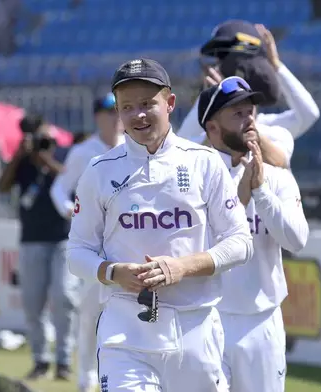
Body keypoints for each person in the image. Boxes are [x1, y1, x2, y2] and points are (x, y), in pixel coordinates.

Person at [67, 58, 254, 392]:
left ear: (169, 103)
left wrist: (182, 267)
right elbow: (77, 252)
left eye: (146, 104)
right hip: (125, 333)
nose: (137, 115)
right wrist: (113, 272)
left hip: (196, 330)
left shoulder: (204, 162)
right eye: (127, 107)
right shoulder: (98, 170)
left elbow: (240, 242)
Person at [198, 76, 309, 391]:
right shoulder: (193, 180)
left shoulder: (277, 178)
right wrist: (241, 195)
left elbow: (297, 241)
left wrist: (260, 192)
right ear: (213, 129)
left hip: (262, 322)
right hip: (207, 319)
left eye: (250, 112)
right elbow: (200, 248)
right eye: (237, 114)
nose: (249, 121)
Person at [50, 92, 124, 392]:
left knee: (124, 314)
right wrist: (72, 212)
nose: (117, 117)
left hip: (126, 242)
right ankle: (86, 378)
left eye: (119, 111)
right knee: (90, 314)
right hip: (94, 245)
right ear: (97, 117)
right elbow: (59, 189)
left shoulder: (133, 148)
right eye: (110, 112)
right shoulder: (84, 152)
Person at [0, 113, 80, 381]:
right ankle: (40, 360)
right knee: (33, 304)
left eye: (37, 132)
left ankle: (64, 361)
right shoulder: (22, 160)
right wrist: (19, 156)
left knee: (64, 297)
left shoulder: (65, 153)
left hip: (63, 238)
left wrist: (44, 159)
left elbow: (73, 182)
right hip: (31, 239)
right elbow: (3, 186)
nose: (34, 137)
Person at [179, 22, 320, 168]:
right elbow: (182, 147)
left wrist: (276, 64)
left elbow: (309, 114)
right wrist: (214, 97)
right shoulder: (212, 132)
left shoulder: (273, 130)